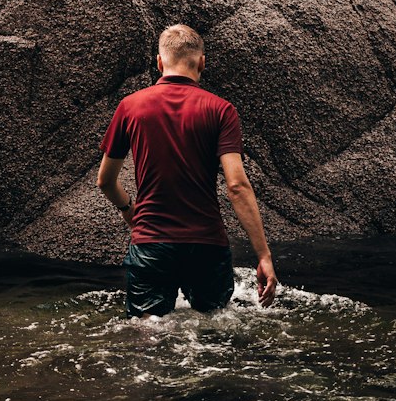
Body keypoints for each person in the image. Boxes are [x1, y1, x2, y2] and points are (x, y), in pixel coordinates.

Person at [96, 22, 278, 317]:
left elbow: (105, 181)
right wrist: (263, 255)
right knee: (214, 329)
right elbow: (236, 186)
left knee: (147, 333)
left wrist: (130, 211)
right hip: (206, 245)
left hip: (151, 241)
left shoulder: (130, 106)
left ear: (159, 62)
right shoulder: (221, 110)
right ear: (202, 62)